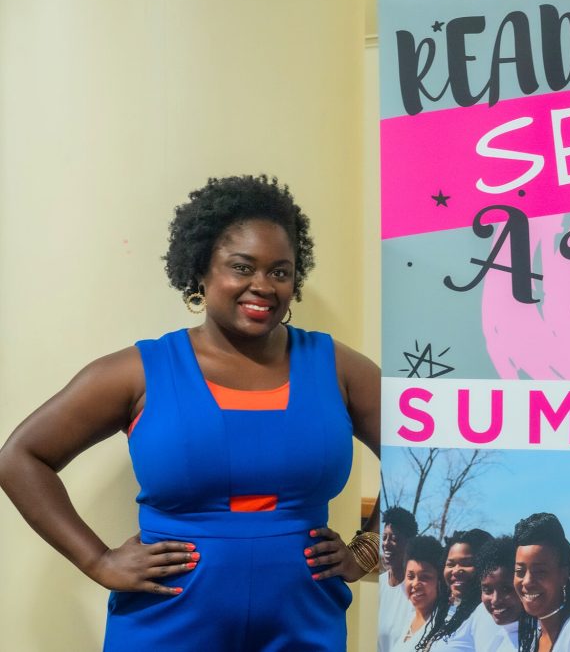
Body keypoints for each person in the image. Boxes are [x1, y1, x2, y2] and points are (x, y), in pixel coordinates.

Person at [0, 175, 382, 651]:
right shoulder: (139, 372)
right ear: (201, 269)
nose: (262, 286)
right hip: (167, 623)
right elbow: (21, 457)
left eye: (280, 272)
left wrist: (370, 548)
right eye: (242, 267)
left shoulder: (337, 366)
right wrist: (98, 561)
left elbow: (427, 450)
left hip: (304, 623)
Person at [513, 512, 570, 652]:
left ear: (564, 574)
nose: (527, 581)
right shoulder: (533, 636)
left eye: (540, 572)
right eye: (520, 572)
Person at [425, 528, 496, 651]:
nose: (456, 570)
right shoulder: (449, 610)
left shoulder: (488, 614)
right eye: (451, 564)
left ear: (486, 566)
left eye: (467, 563)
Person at [396, 535, 448, 652]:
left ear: (439, 581)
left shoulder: (446, 625)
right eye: (410, 576)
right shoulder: (407, 618)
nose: (415, 584)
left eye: (425, 577)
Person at [380, 506, 420, 652]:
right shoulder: (377, 587)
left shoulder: (419, 592)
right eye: (384, 537)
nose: (386, 544)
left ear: (410, 544)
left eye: (394, 539)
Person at [476, 536, 524, 652]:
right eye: (487, 590)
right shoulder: (498, 639)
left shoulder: (542, 639)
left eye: (506, 589)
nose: (495, 600)